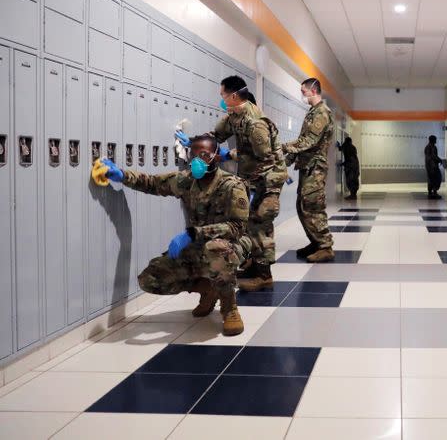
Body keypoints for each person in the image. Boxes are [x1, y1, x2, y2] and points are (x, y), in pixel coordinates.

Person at [94, 134, 249, 336]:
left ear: (216, 156)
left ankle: (229, 308)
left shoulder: (232, 185)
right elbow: (152, 183)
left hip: (229, 246)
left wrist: (195, 233)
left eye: (203, 155)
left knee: (216, 250)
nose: (197, 161)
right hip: (196, 245)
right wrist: (122, 175)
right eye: (193, 155)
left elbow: (238, 226)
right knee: (151, 278)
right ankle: (208, 289)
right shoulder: (187, 180)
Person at [189, 75, 288, 293]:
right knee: (249, 222)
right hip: (252, 178)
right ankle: (253, 266)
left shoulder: (255, 122)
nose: (222, 100)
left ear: (234, 96)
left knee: (260, 223)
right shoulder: (234, 115)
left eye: (223, 95)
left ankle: (264, 276)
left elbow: (265, 156)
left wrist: (230, 154)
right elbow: (216, 135)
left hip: (268, 178)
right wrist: (197, 143)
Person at [283, 77, 336, 262]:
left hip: (315, 169)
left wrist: (284, 147)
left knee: (313, 207)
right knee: (302, 206)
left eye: (303, 91)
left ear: (313, 90)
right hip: (307, 167)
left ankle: (325, 246)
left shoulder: (322, 112)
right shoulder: (313, 112)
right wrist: (287, 160)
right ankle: (315, 241)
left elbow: (309, 141)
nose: (302, 95)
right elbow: (302, 139)